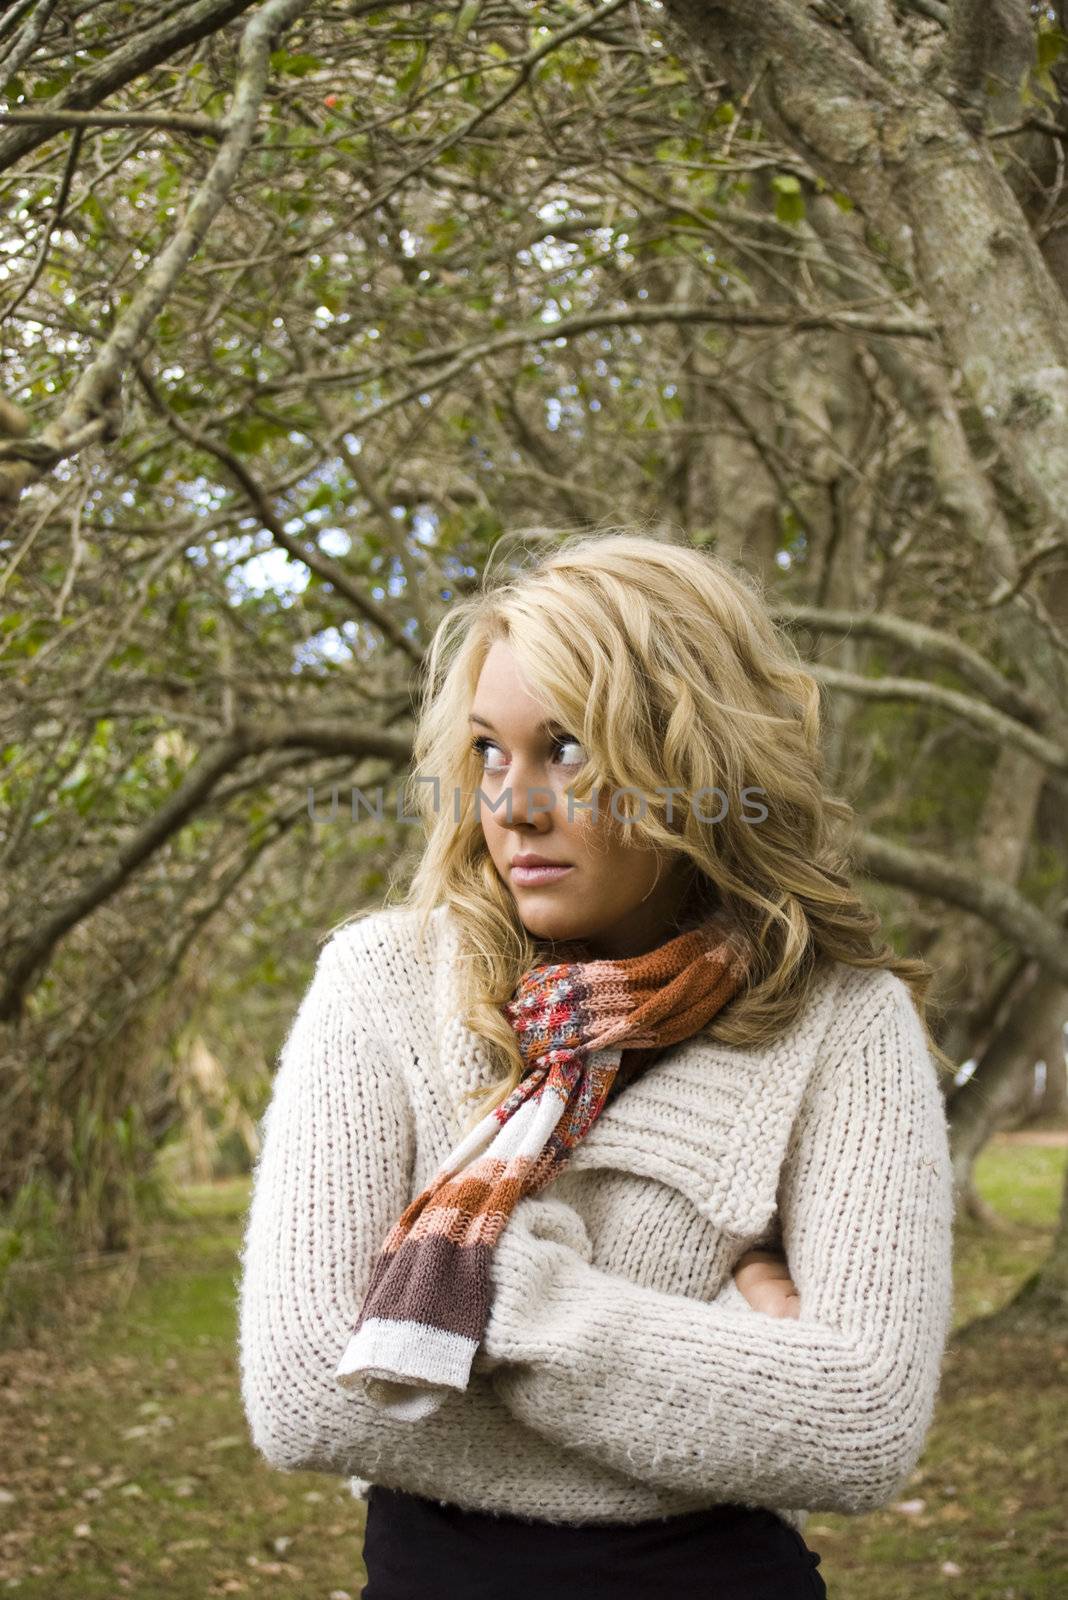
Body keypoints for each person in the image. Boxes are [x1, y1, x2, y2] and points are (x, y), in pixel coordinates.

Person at [237, 530, 956, 1599]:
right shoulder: (383, 984)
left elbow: (859, 1425)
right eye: (489, 749)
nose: (512, 803)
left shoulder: (844, 1023)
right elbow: (303, 1393)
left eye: (565, 747)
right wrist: (723, 1348)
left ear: (693, 760)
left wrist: (484, 1297)